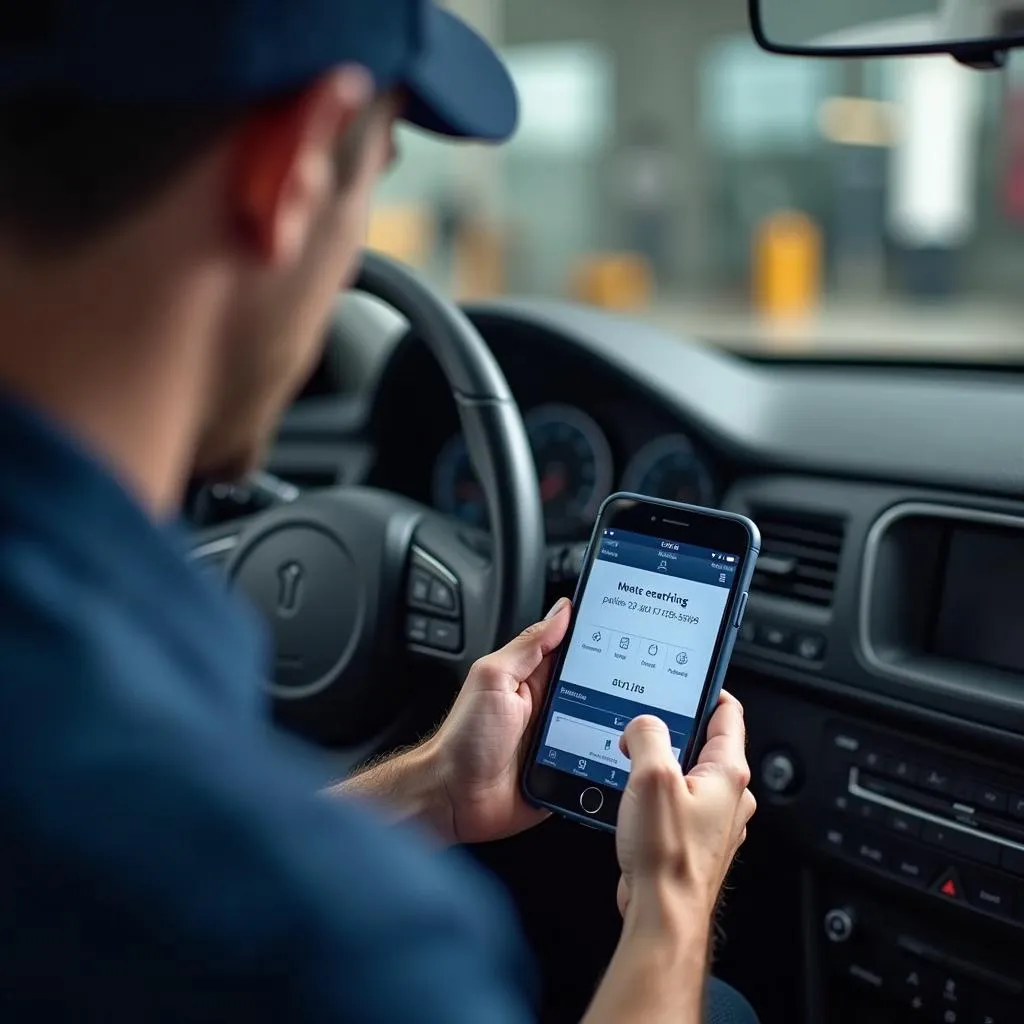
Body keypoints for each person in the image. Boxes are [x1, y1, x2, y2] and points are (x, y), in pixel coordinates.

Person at [0, 2, 758, 1022]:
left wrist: (430, 790)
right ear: (296, 165)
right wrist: (673, 899)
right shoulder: (342, 942)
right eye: (379, 168)